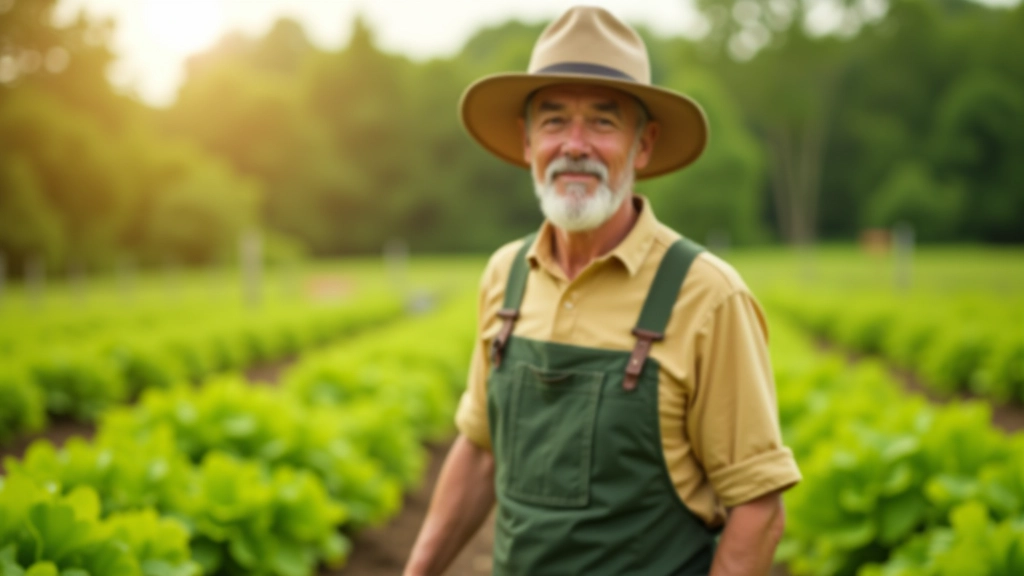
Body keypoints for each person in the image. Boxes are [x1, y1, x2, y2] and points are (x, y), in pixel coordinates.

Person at [405, 6, 801, 576]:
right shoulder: (505, 275)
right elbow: (480, 452)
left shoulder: (707, 295)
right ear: (526, 143)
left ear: (643, 146)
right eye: (554, 120)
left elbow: (759, 510)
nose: (575, 144)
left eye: (603, 122)